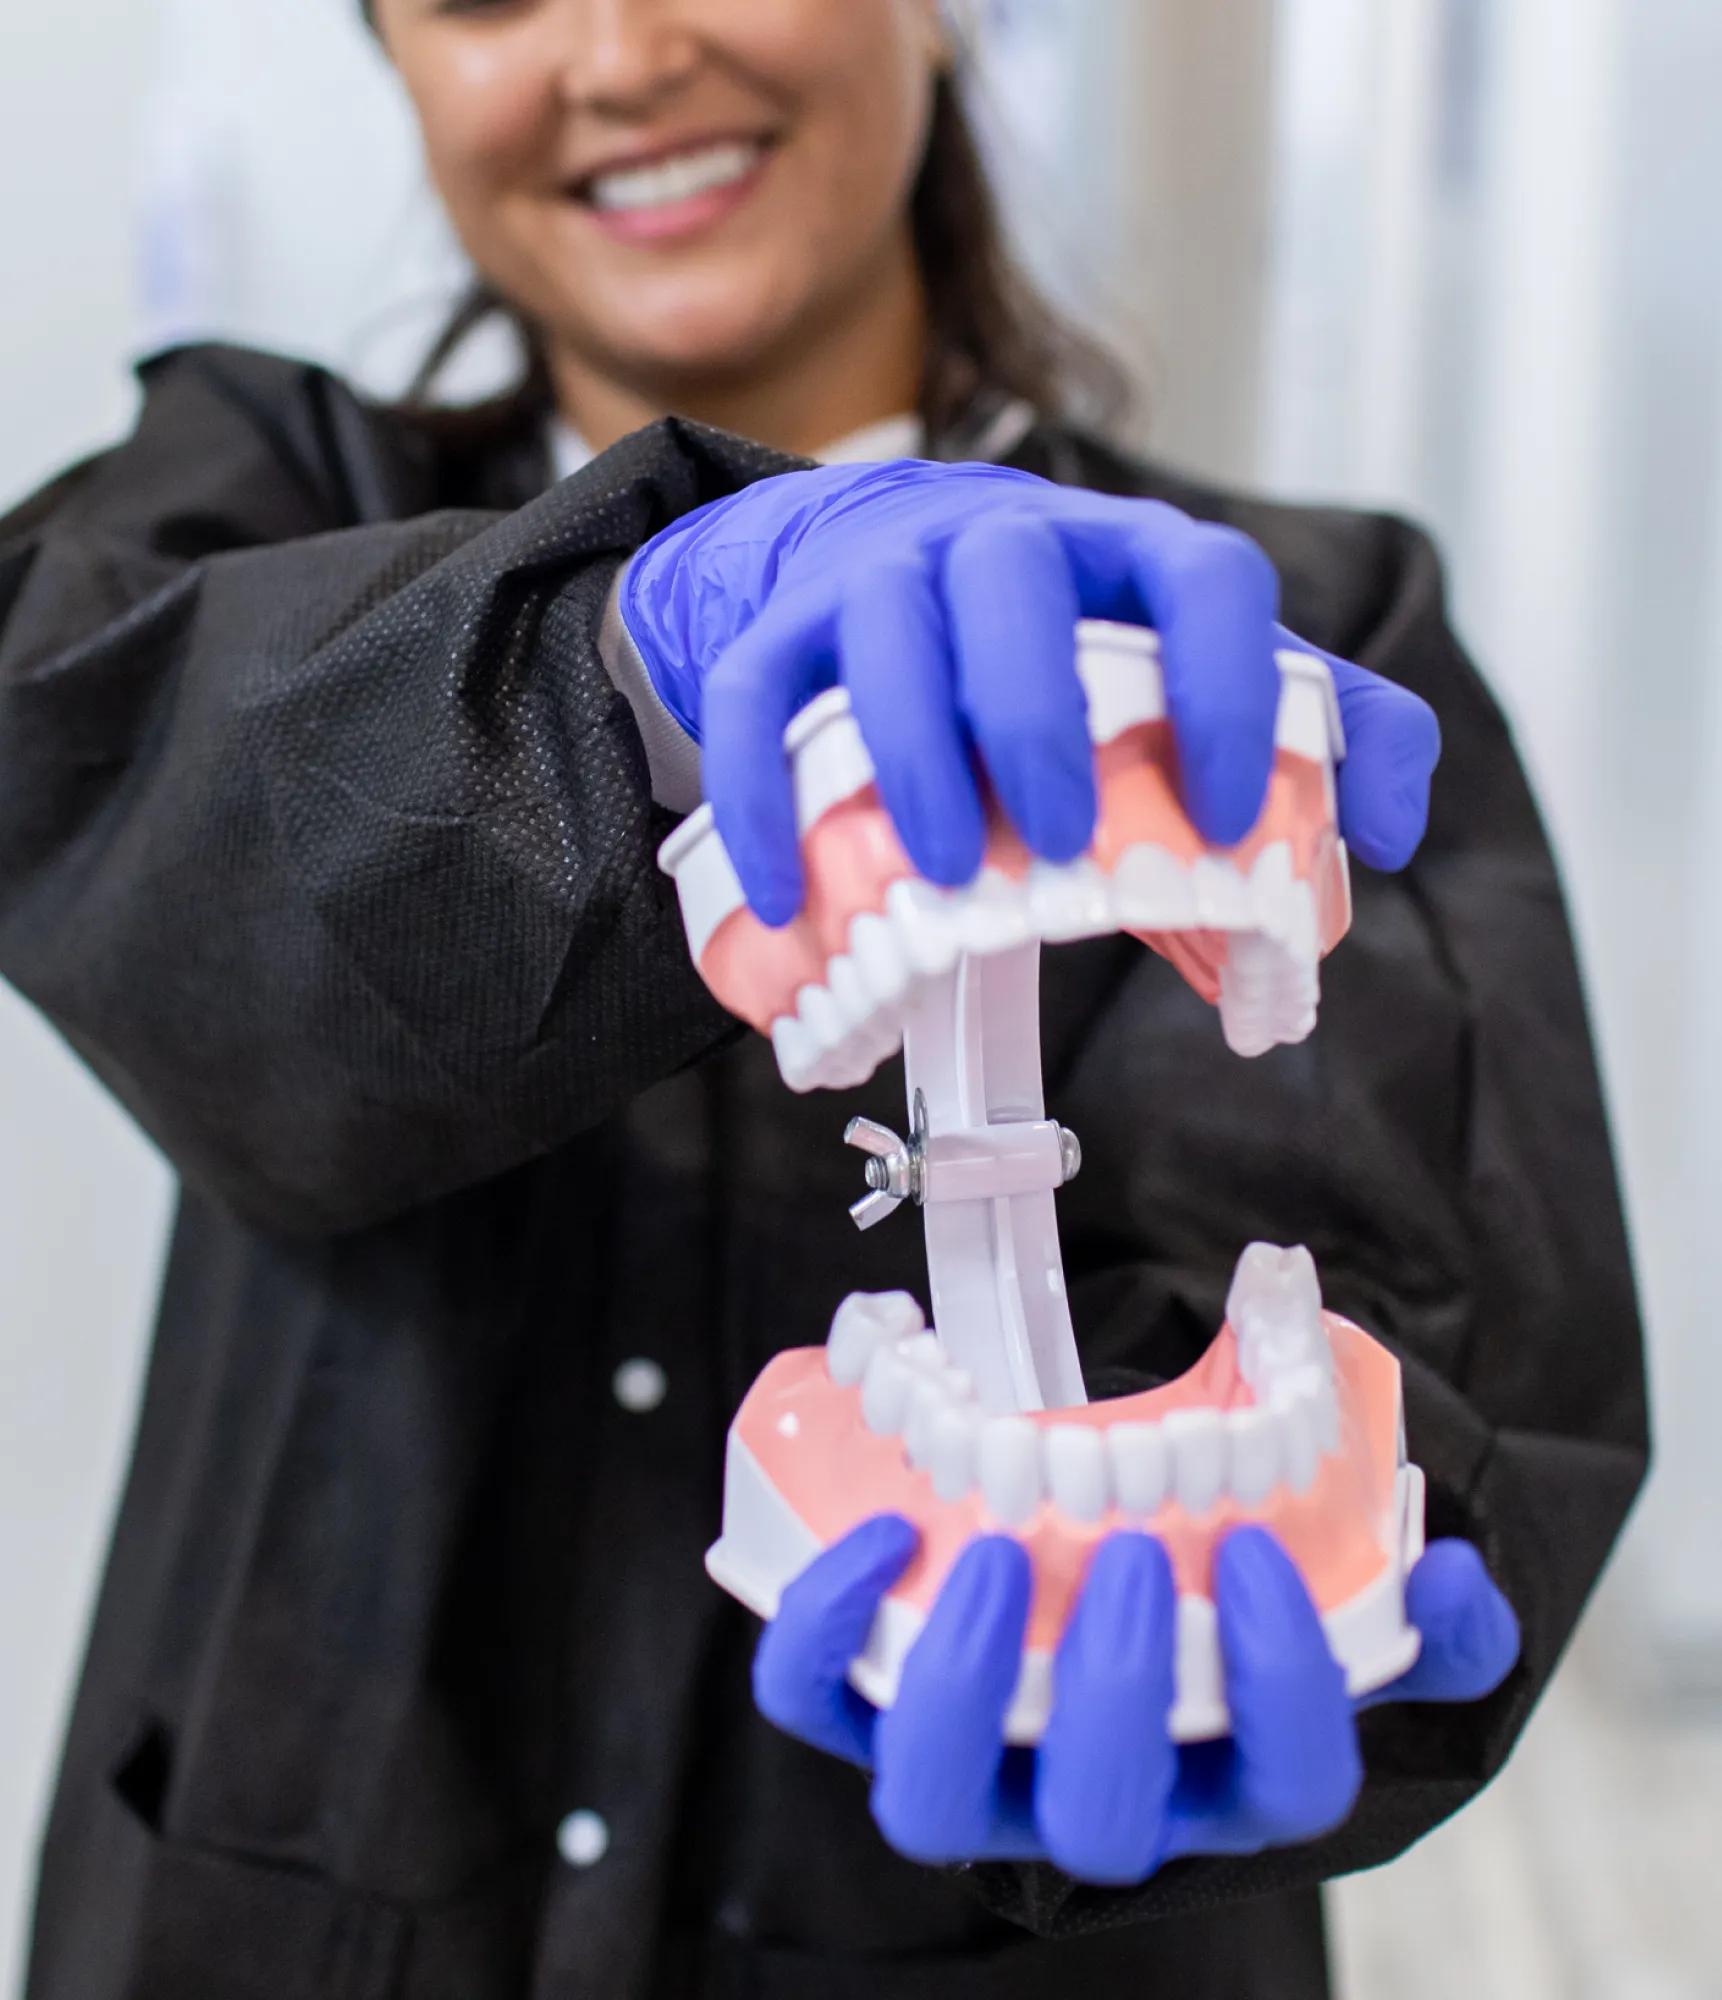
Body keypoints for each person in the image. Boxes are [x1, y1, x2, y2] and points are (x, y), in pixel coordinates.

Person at [0, 3, 1644, 1997]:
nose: (617, 56)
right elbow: (109, 808)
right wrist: (617, 674)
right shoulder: (250, 498)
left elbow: (1412, 1283)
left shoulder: (1294, 640)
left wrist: (1255, 1585)